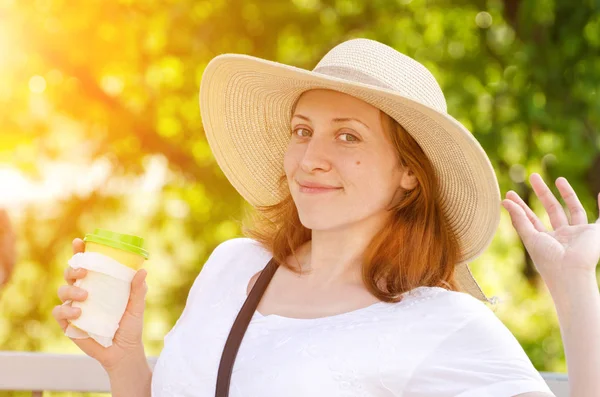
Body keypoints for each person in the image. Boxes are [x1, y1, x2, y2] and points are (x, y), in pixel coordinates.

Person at [53, 38, 600, 396]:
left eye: (347, 135)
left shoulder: (443, 324)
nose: (312, 157)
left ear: (409, 172)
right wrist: (123, 362)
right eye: (302, 130)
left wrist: (576, 290)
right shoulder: (231, 267)